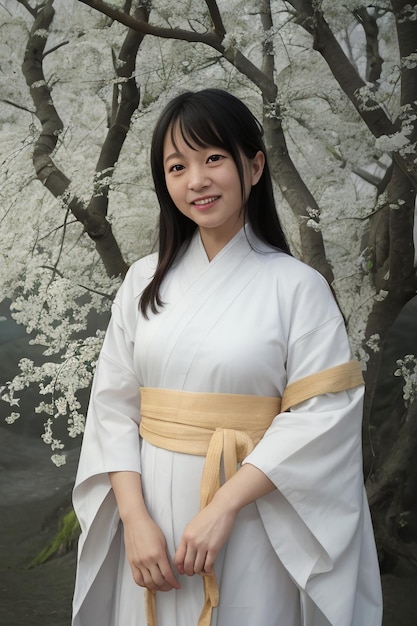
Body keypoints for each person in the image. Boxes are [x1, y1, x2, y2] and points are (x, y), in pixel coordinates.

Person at [71, 88, 383, 626]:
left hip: (250, 518)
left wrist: (223, 508)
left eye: (213, 158)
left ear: (255, 166)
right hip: (149, 529)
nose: (196, 180)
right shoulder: (142, 281)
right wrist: (134, 519)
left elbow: (321, 418)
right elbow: (112, 410)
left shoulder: (299, 288)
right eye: (177, 166)